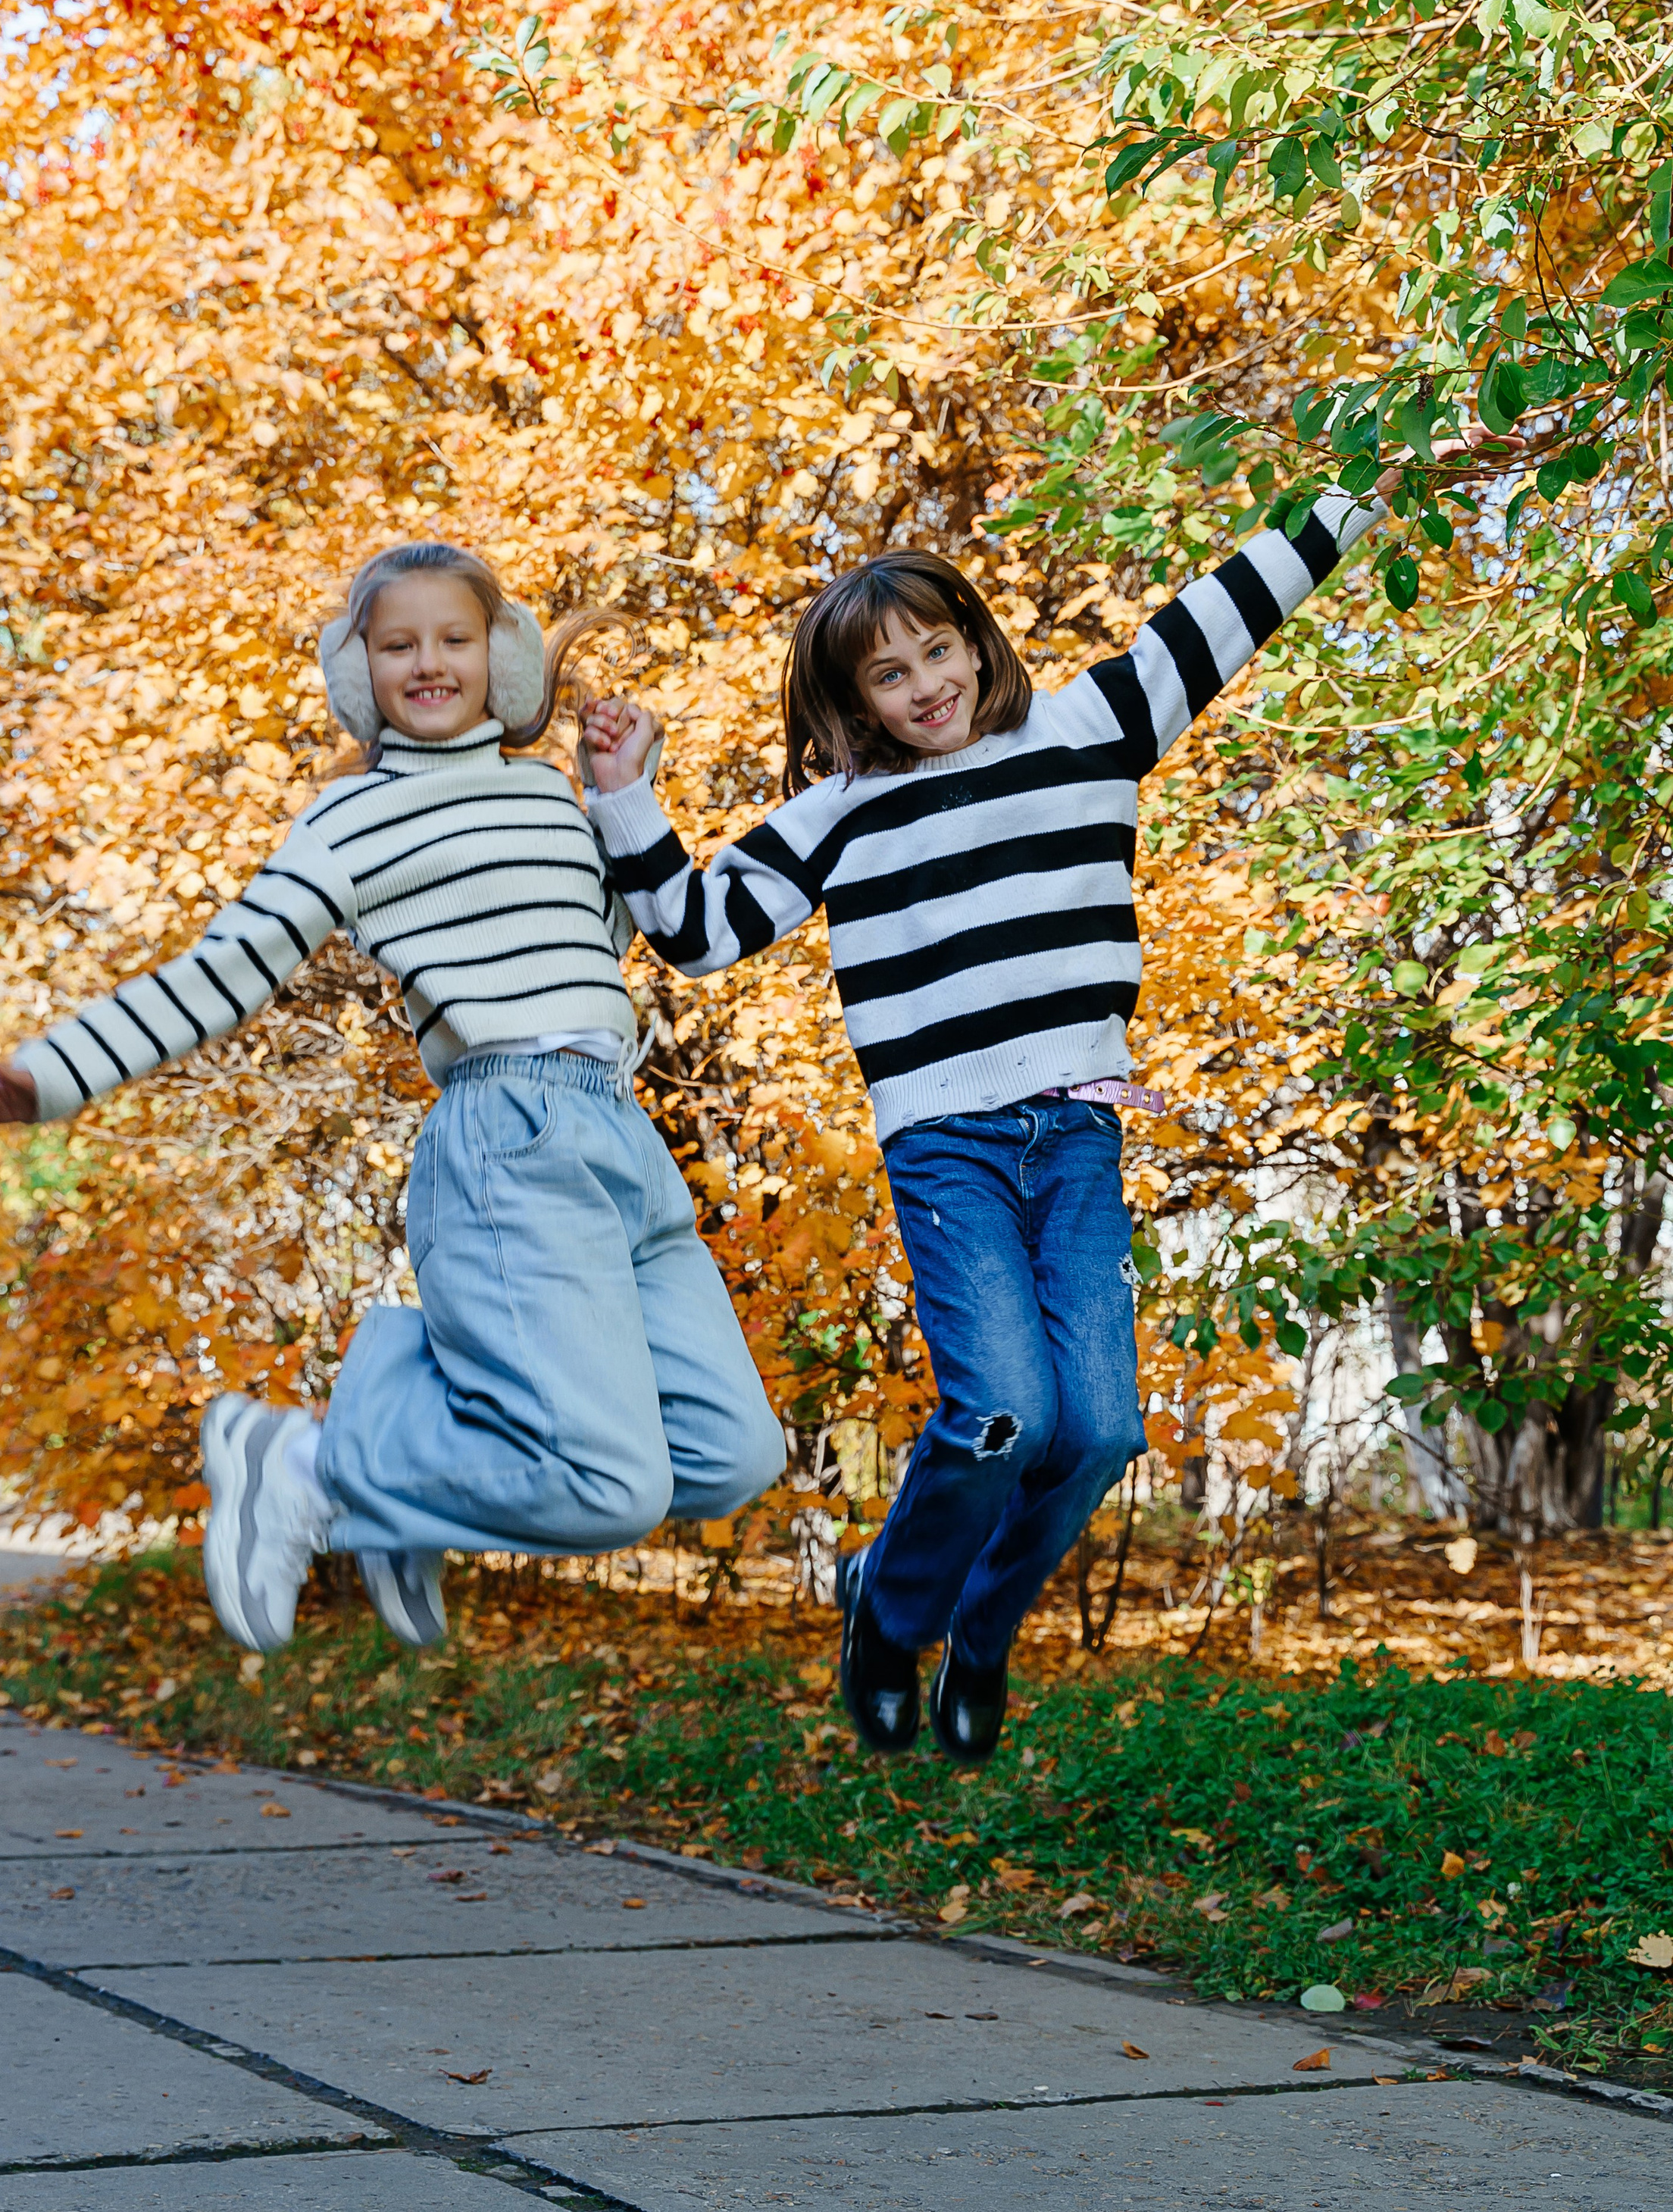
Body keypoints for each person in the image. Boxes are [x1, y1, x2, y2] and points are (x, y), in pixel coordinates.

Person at [580, 443, 1511, 1764]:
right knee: (1001, 1411)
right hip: (944, 1143)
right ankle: (885, 1615)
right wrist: (625, 796)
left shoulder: (1087, 729)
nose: (925, 690)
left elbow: (1227, 606)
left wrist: (1374, 477)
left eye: (937, 652)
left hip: (1074, 1127)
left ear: (977, 638)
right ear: (853, 703)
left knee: (1101, 1429)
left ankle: (986, 1627)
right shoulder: (840, 815)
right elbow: (694, 931)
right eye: (886, 677)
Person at [0, 542, 783, 1657]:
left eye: (455, 639)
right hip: (505, 1135)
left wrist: (625, 801)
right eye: (398, 644)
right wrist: (52, 1074)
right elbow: (220, 971)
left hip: (618, 1131)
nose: (430, 662)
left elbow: (595, 949)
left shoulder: (547, 796)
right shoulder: (350, 822)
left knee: (732, 1456)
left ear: (499, 654)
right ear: (356, 669)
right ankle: (308, 1462)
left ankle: (393, 1463)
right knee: (609, 1493)